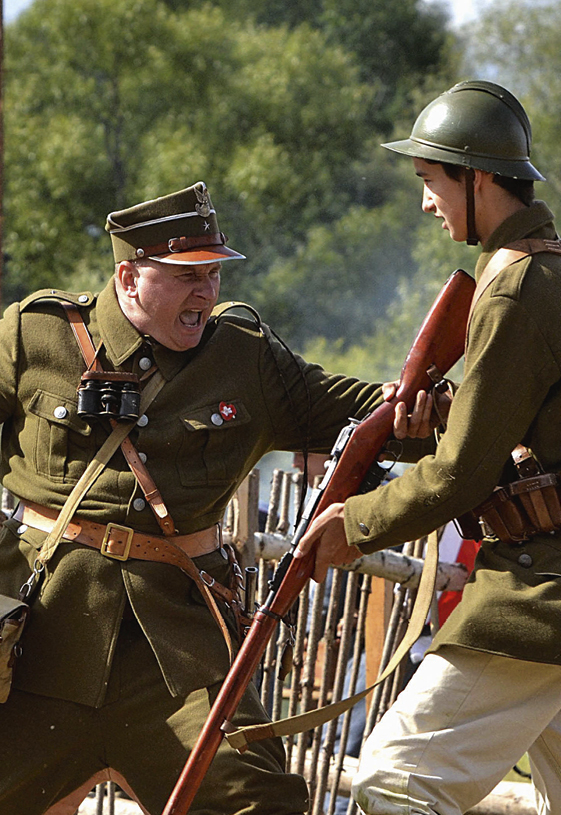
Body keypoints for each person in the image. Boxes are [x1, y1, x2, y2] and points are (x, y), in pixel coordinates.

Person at [0, 181, 384, 815]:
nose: (206, 292)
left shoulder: (247, 359)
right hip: (40, 648)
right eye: (185, 276)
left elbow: (368, 412)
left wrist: (454, 401)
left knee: (263, 803)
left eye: (212, 275)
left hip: (179, 660)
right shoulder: (34, 336)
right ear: (129, 278)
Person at [296, 80, 561, 815]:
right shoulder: (543, 271)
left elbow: (460, 476)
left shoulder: (514, 290)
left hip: (540, 594)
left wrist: (351, 524)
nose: (423, 202)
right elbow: (519, 441)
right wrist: (437, 420)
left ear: (477, 179)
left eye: (429, 180)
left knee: (392, 781)